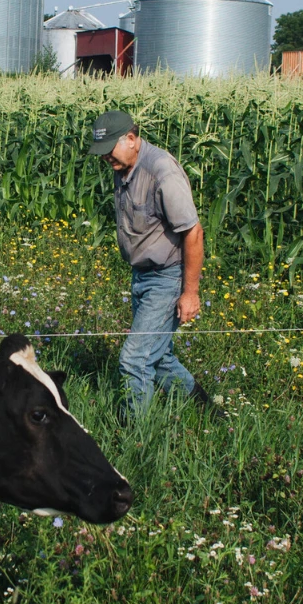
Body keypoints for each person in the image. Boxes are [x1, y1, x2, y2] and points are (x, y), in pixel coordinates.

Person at [87, 110, 210, 413]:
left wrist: (190, 293)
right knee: (160, 356)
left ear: (130, 138)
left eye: (109, 150)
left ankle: (137, 438)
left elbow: (193, 232)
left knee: (135, 359)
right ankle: (205, 411)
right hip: (141, 275)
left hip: (166, 276)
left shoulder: (161, 171)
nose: (106, 159)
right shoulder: (123, 165)